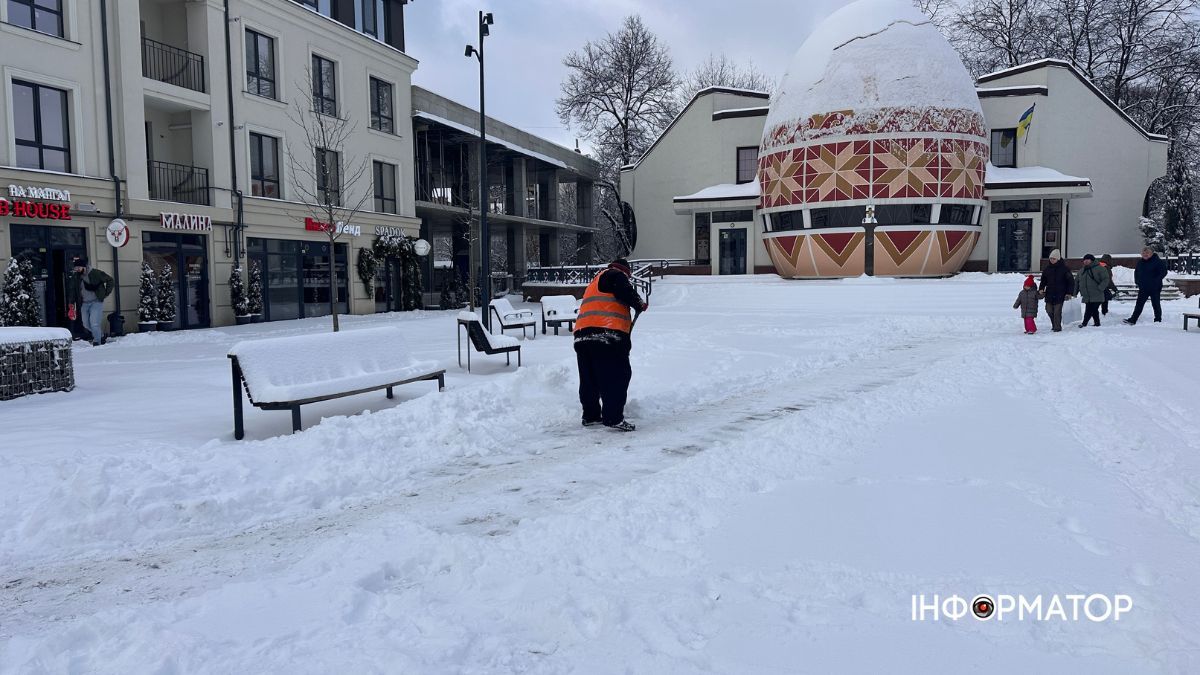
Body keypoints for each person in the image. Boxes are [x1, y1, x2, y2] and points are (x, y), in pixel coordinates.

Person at [574, 258, 648, 432]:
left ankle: (591, 416)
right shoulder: (616, 275)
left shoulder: (595, 281)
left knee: (589, 378)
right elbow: (624, 290)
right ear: (626, 272)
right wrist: (639, 303)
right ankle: (613, 417)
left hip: (582, 336)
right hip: (606, 336)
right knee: (617, 375)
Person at [67, 257, 114, 346]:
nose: (76, 270)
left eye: (78, 268)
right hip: (84, 303)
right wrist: (71, 303)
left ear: (83, 266)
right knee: (85, 324)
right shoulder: (76, 277)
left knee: (94, 323)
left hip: (96, 302)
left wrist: (105, 293)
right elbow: (72, 290)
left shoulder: (95, 273)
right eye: (75, 268)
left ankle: (97, 342)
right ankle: (101, 335)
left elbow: (110, 280)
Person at [1123, 246, 1169, 325]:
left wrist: (1155, 280)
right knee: (1139, 304)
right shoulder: (1140, 262)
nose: (1145, 254)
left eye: (1147, 253)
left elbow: (1163, 272)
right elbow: (1136, 272)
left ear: (1151, 253)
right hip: (1143, 287)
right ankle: (1133, 319)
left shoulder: (1158, 262)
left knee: (1155, 303)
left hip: (1155, 287)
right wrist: (1137, 281)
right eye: (1143, 253)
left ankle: (1158, 320)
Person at [1038, 248, 1074, 332]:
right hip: (1049, 293)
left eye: (1053, 259)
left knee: (1057, 312)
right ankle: (1054, 324)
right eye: (1050, 258)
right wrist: (1041, 289)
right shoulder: (1047, 269)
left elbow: (1070, 281)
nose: (1052, 260)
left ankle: (1057, 327)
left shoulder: (1065, 269)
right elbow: (1043, 281)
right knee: (1049, 310)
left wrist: (1069, 293)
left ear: (1057, 259)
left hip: (1060, 294)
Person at [1075, 253, 1110, 328]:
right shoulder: (1082, 271)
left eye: (1088, 260)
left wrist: (1100, 288)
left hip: (1097, 294)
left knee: (1090, 309)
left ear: (1092, 260)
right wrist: (1074, 293)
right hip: (1087, 295)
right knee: (1093, 309)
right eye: (1084, 260)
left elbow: (1106, 279)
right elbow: (1077, 282)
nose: (1086, 261)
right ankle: (1097, 323)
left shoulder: (1100, 268)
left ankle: (1084, 323)